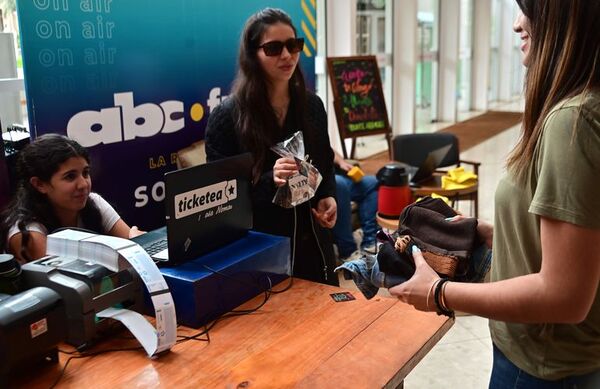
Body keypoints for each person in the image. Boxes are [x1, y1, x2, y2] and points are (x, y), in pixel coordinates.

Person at [390, 1, 600, 387]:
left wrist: (439, 293)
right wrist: (499, 231)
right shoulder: (583, 108)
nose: (519, 24)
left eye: (529, 10)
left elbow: (566, 296)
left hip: (541, 366)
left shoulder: (572, 122)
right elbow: (584, 247)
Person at [205, 8, 338, 286]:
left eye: (293, 45)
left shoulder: (312, 105)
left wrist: (327, 197)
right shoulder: (227, 116)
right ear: (253, 54)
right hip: (260, 250)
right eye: (274, 48)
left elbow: (324, 163)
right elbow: (221, 197)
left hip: (311, 242)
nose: (287, 55)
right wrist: (270, 180)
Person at [0, 134, 144, 263]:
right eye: (70, 176)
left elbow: (136, 244)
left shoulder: (93, 201)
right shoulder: (25, 231)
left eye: (85, 173)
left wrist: (136, 244)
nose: (83, 184)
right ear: (39, 184)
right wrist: (129, 247)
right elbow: (70, 279)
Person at [332, 150, 378, 261]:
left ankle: (369, 240)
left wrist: (341, 162)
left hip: (334, 175)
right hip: (317, 182)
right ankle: (347, 251)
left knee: (372, 182)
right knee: (339, 185)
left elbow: (328, 149)